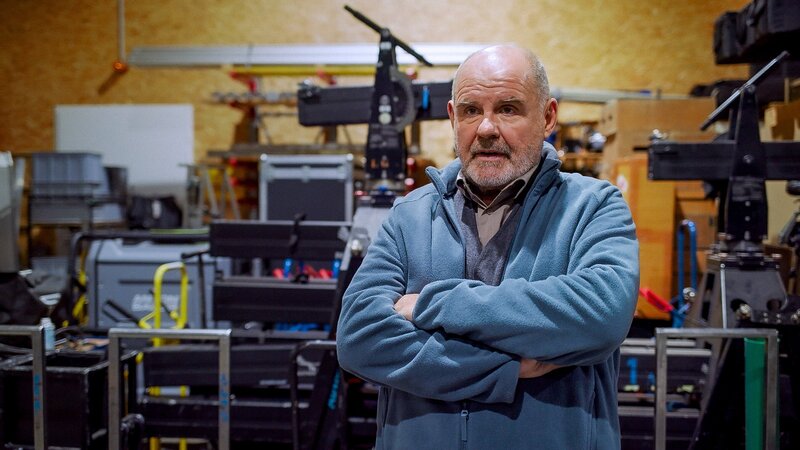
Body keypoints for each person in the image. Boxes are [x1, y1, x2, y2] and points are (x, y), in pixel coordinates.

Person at [337, 44, 639, 450]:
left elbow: (600, 316)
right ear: (452, 117)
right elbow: (358, 338)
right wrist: (504, 368)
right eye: (470, 110)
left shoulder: (593, 207)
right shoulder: (410, 215)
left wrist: (433, 304)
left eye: (508, 109)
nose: (485, 128)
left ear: (548, 117)